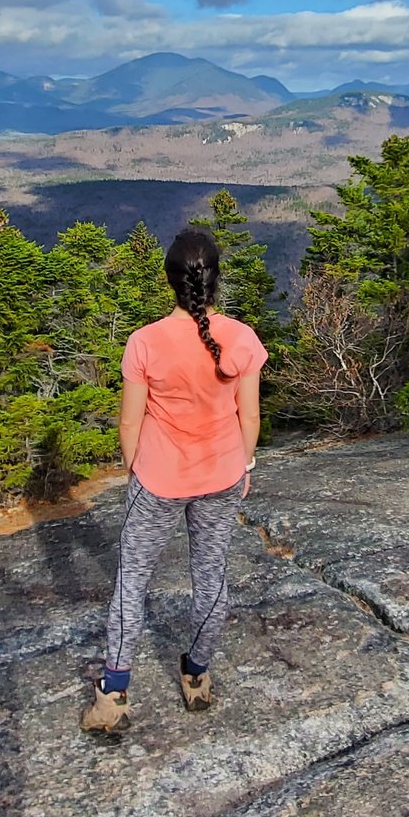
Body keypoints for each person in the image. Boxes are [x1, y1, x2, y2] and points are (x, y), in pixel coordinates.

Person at [82, 224, 267, 736]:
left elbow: (129, 422)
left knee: (133, 579)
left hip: (159, 477)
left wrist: (133, 468)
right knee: (210, 575)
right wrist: (244, 464)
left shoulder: (145, 342)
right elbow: (249, 418)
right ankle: (197, 677)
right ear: (215, 281)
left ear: (172, 281)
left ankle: (114, 693)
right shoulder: (242, 338)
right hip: (222, 473)